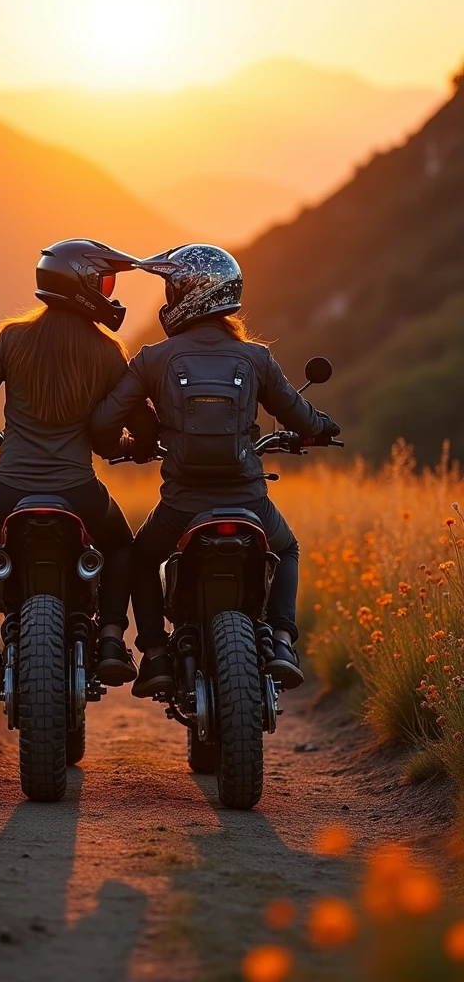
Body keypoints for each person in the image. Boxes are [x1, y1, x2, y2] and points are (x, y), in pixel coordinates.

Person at [90, 244, 340, 699]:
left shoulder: (153, 358)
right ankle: (282, 643)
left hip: (181, 505)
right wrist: (322, 427)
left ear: (187, 295)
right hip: (248, 500)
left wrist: (133, 444)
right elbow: (298, 416)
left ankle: (156, 656)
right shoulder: (256, 358)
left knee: (142, 557)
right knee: (286, 549)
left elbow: (105, 421)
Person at [0, 239, 158, 696]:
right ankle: (112, 639)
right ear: (84, 286)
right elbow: (140, 422)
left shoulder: (13, 337)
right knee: (121, 545)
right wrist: (140, 444)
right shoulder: (108, 352)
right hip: (78, 490)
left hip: (10, 487)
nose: (109, 293)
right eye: (104, 282)